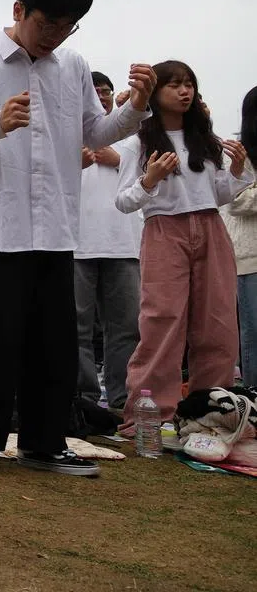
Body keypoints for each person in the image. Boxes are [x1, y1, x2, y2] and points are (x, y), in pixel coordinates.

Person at [0, 0, 157, 478]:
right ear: (18, 11)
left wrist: (138, 108)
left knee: (52, 343)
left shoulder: (72, 66)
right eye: (46, 25)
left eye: (66, 27)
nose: (55, 37)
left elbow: (96, 132)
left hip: (56, 226)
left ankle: (44, 443)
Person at [115, 61, 252, 436]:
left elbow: (220, 193)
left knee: (218, 323)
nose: (184, 91)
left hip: (210, 226)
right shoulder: (138, 142)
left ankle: (211, 413)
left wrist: (238, 171)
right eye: (174, 84)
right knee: (161, 322)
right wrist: (150, 179)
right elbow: (124, 201)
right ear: (156, 93)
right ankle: (149, 417)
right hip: (163, 230)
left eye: (189, 84)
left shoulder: (206, 139)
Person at [73, 72, 143, 411]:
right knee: (76, 328)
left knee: (126, 327)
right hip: (76, 244)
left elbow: (159, 169)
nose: (101, 96)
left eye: (106, 91)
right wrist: (76, 163)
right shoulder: (68, 131)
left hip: (124, 243)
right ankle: (84, 398)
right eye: (94, 91)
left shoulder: (131, 133)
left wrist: (120, 160)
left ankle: (121, 398)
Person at [225, 86, 257, 387]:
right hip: (251, 259)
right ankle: (253, 395)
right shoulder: (238, 153)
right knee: (254, 333)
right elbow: (236, 201)